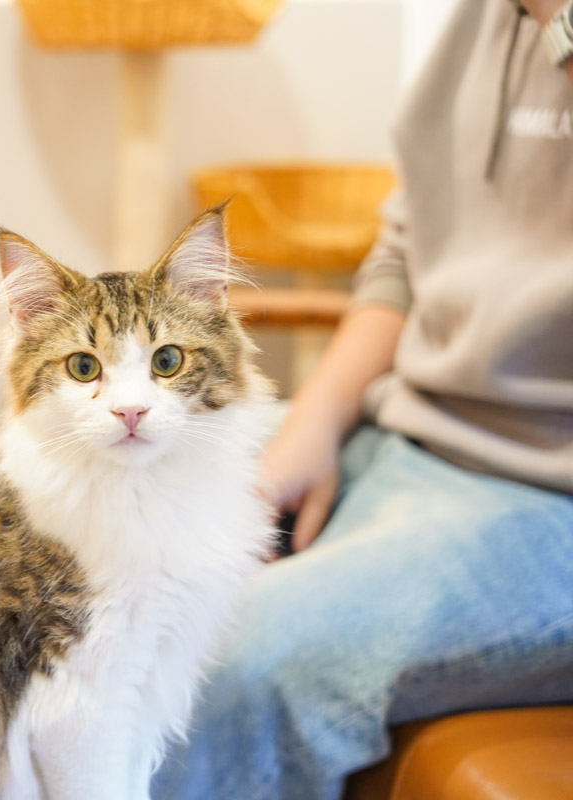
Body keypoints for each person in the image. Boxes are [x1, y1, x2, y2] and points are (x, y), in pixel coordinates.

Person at [152, 0, 573, 797]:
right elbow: (405, 251)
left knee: (218, 658)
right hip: (401, 428)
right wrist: (317, 420)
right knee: (84, 530)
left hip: (545, 494)